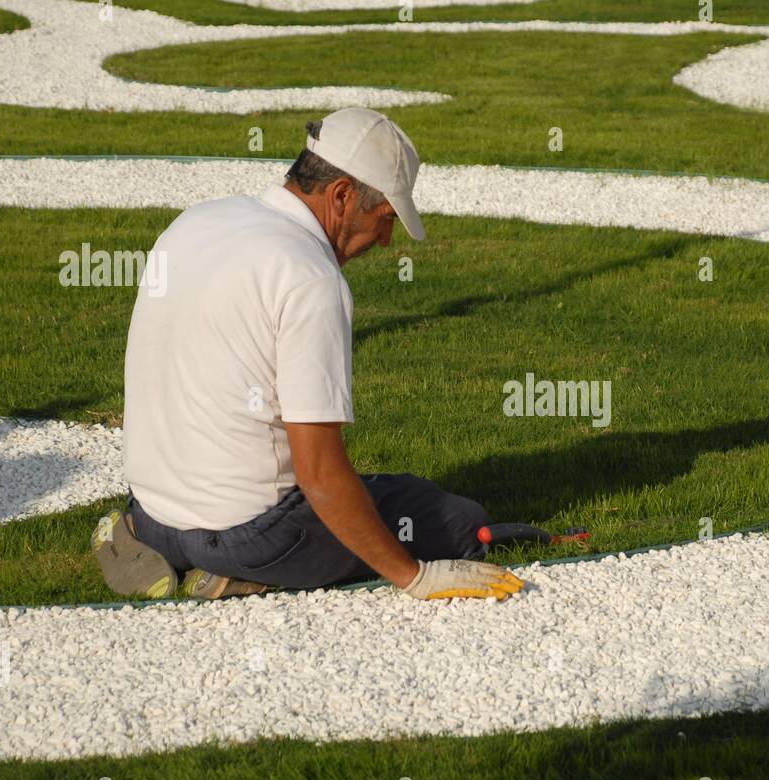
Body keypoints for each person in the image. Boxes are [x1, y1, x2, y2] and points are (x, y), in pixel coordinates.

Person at [92, 108, 524, 603]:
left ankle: (147, 543)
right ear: (341, 195)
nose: (385, 240)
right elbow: (319, 474)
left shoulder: (196, 220)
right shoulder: (310, 277)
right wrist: (414, 577)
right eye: (383, 219)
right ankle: (241, 571)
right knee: (458, 520)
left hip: (153, 513)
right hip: (252, 536)